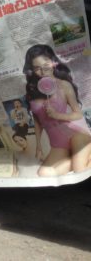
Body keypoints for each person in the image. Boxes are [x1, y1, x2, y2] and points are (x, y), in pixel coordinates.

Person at [23, 44, 91, 176]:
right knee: (43, 174)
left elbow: (77, 114)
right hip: (58, 142)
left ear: (53, 62)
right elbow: (37, 120)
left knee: (80, 172)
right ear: (32, 70)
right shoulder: (31, 91)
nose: (42, 71)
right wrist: (38, 145)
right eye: (37, 68)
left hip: (75, 134)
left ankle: (81, 156)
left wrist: (57, 115)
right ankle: (79, 157)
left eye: (46, 64)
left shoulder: (64, 85)